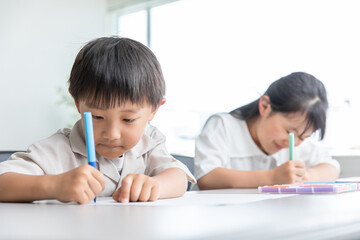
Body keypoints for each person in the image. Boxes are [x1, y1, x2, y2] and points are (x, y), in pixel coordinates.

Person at [0, 37, 195, 204]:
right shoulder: (57, 149)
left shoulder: (149, 141)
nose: (112, 134)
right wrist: (54, 185)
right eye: (97, 116)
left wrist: (156, 186)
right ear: (77, 103)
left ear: (154, 110)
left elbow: (178, 177)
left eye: (128, 119)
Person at [194, 72, 340, 190]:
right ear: (264, 106)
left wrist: (306, 176)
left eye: (303, 137)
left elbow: (332, 167)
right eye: (289, 131)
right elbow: (207, 177)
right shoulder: (223, 126)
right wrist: (272, 178)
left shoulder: (297, 142)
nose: (294, 142)